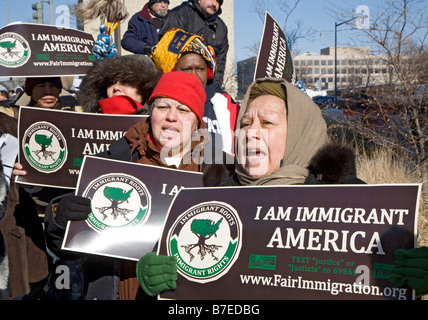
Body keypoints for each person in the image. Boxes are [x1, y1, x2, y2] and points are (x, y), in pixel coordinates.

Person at [40, 71, 212, 300]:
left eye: (183, 109)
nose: (172, 117)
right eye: (163, 107)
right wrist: (60, 216)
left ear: (197, 120)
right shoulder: (114, 159)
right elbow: (65, 246)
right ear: (151, 113)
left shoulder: (217, 172)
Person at [151, 28, 238, 156]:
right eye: (186, 69)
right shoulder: (158, 106)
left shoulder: (225, 105)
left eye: (200, 69)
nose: (194, 76)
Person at [159, 0, 228, 85]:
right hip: (178, 83)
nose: (214, 4)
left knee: (226, 98)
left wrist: (216, 87)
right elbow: (166, 54)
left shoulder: (221, 27)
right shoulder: (179, 15)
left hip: (206, 85)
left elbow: (220, 61)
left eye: (218, 1)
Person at [77, 54, 162, 114]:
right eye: (111, 82)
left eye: (126, 81)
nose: (116, 87)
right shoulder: (87, 125)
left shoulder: (158, 128)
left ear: (145, 89)